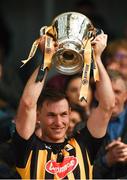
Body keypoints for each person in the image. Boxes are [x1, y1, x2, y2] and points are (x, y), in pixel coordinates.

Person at [13, 33, 115, 179]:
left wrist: (96, 58)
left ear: (70, 112)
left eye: (63, 114)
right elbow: (28, 103)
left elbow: (107, 105)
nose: (59, 122)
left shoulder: (84, 144)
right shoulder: (27, 149)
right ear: (37, 116)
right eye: (51, 115)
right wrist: (46, 60)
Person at [93, 70, 127, 179]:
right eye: (108, 91)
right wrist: (106, 160)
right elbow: (78, 172)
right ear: (97, 95)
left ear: (125, 95)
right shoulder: (82, 128)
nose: (112, 97)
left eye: (117, 92)